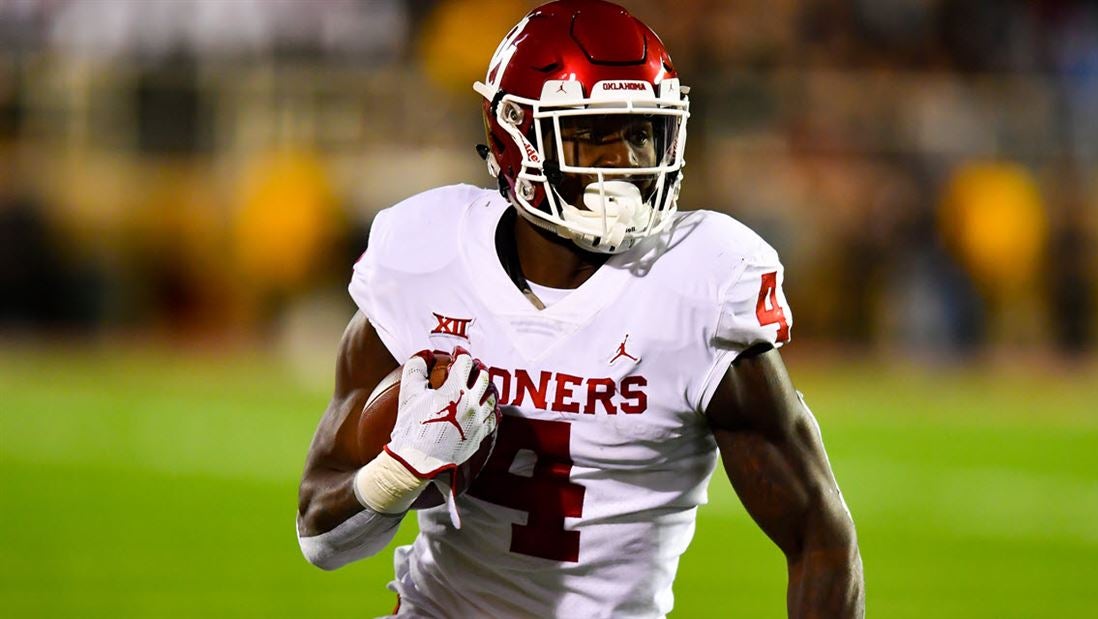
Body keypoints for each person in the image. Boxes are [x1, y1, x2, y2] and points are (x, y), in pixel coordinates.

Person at [296, 1, 864, 617]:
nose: (623, 161)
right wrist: (399, 472)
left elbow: (820, 539)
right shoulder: (428, 255)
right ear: (513, 137)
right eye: (591, 134)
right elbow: (321, 539)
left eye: (640, 133)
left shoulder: (697, 283)